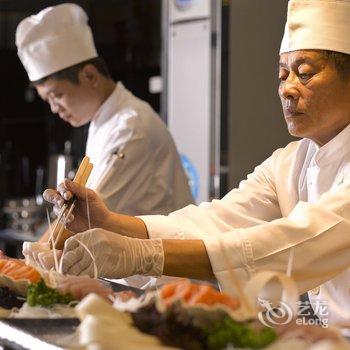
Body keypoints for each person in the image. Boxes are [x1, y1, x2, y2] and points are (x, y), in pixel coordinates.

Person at [43, 0, 350, 325]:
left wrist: (144, 255)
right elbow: (217, 220)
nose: (288, 89)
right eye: (283, 74)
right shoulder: (290, 162)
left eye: (305, 73)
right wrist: (109, 223)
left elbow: (295, 244)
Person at [15, 3, 193, 220]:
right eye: (48, 100)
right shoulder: (103, 121)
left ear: (89, 76)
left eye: (57, 95)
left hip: (162, 252)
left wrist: (34, 253)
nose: (54, 108)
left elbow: (82, 219)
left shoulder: (130, 127)